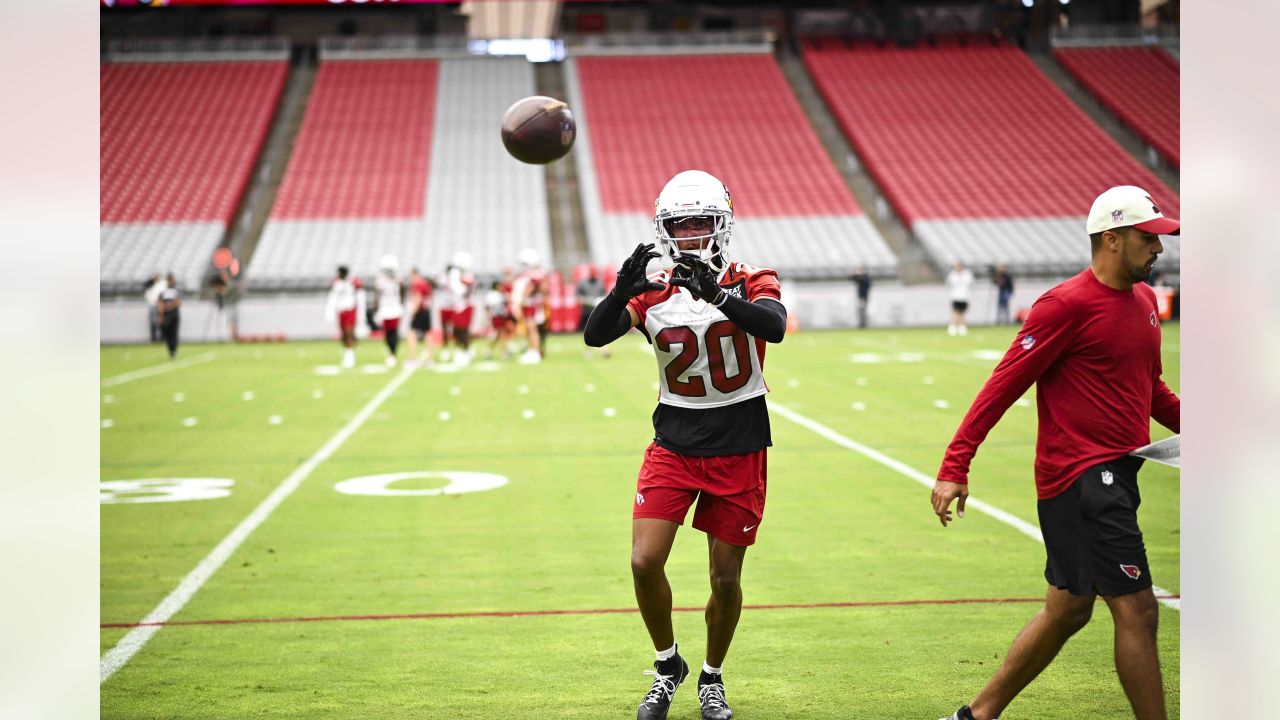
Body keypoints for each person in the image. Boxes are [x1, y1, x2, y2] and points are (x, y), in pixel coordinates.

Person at [932, 185, 1181, 720]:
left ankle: (975, 715)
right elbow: (1002, 385)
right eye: (1148, 238)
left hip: (1119, 473)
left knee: (1068, 610)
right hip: (1083, 481)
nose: (1159, 250)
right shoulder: (1064, 305)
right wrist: (956, 465)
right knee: (1138, 610)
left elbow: (1151, 388)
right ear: (1111, 239)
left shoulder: (1142, 302)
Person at [584, 170, 787, 720]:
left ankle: (713, 677)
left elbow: (773, 327)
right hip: (675, 438)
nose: (693, 232)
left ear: (723, 223)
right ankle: (667, 663)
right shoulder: (653, 288)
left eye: (703, 221)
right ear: (664, 229)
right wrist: (620, 291)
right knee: (644, 560)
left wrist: (717, 294)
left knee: (724, 577)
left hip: (740, 440)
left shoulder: (750, 278)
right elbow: (594, 334)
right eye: (681, 223)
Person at [511, 249, 549, 363]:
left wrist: (522, 298)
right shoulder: (534, 274)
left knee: (532, 328)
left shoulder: (536, 274)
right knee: (529, 328)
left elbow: (534, 289)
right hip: (531, 304)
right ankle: (532, 350)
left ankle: (535, 351)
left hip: (531, 304)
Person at [325, 265, 364, 369]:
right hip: (341, 311)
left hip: (350, 310)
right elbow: (333, 297)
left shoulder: (353, 281)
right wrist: (330, 311)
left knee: (349, 332)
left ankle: (350, 355)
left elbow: (360, 297)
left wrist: (361, 315)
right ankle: (347, 353)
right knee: (343, 334)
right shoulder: (337, 283)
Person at [443, 252, 477, 366]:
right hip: (460, 305)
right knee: (458, 330)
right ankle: (462, 350)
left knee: (462, 329)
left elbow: (460, 290)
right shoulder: (460, 274)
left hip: (463, 305)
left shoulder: (465, 275)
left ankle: (465, 350)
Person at [373, 255, 405, 367]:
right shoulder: (381, 280)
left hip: (395, 308)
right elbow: (377, 295)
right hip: (385, 308)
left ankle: (393, 353)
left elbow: (402, 292)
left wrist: (402, 305)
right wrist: (377, 309)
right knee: (387, 333)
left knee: (394, 332)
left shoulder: (398, 279)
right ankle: (391, 352)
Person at [577, 266, 611, 358]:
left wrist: (600, 300)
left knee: (601, 330)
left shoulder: (600, 283)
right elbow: (578, 298)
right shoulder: (582, 283)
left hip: (598, 311)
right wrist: (590, 301)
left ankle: (604, 350)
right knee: (586, 332)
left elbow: (605, 295)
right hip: (587, 312)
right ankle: (588, 351)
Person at [405, 268, 435, 368]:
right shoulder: (425, 283)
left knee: (411, 334)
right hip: (426, 310)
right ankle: (430, 358)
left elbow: (418, 299)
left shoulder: (417, 284)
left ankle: (413, 358)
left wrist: (413, 312)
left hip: (420, 311)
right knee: (428, 334)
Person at [945, 260, 974, 336]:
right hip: (955, 297)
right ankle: (952, 328)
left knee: (962, 313)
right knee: (955, 312)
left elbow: (969, 283)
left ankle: (962, 328)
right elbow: (949, 283)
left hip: (964, 297)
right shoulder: (952, 274)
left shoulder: (967, 274)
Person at [156, 273, 182, 359]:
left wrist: (170, 306)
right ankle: (170, 350)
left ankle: (173, 350)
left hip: (174, 315)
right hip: (166, 315)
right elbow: (160, 303)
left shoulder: (176, 291)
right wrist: (161, 315)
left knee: (174, 333)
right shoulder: (163, 292)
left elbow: (179, 302)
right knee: (167, 334)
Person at [144, 273, 166, 343]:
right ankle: (154, 339)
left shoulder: (162, 284)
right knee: (154, 323)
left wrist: (161, 304)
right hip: (154, 306)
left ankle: (161, 338)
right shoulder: (151, 287)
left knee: (161, 322)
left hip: (161, 304)